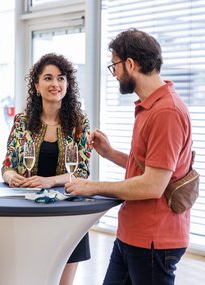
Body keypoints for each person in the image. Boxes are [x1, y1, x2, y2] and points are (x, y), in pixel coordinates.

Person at [66, 28, 192, 285]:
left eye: (114, 67)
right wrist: (110, 154)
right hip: (132, 234)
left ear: (130, 64)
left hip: (154, 240)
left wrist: (92, 187)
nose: (114, 75)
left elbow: (153, 185)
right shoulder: (149, 107)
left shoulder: (166, 112)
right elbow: (149, 169)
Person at [1, 53, 92, 285]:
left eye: (61, 78)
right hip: (29, 214)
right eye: (48, 78)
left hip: (68, 216)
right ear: (37, 85)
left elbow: (82, 172)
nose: (55, 84)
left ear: (67, 84)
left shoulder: (79, 124)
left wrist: (49, 181)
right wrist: (12, 177)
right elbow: (7, 165)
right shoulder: (21, 121)